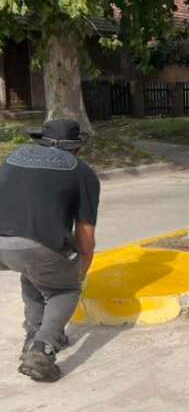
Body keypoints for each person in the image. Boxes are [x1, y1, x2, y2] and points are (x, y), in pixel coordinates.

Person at [0, 119, 100, 382]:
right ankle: (41, 349)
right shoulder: (82, 172)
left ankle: (32, 337)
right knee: (64, 288)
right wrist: (81, 271)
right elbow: (86, 236)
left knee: (35, 271)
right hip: (35, 245)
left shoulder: (13, 158)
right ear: (77, 147)